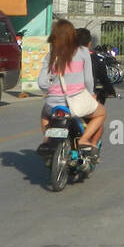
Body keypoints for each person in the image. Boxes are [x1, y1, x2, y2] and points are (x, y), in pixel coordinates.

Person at [38, 19, 104, 154]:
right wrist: (91, 94)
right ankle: (84, 140)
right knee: (101, 113)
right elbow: (88, 79)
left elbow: (42, 82)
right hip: (76, 100)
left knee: (44, 116)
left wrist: (50, 91)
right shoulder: (82, 51)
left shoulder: (51, 55)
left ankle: (48, 140)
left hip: (53, 102)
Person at [76, 27, 117, 104]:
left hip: (58, 98)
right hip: (81, 97)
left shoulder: (64, 57)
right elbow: (102, 79)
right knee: (101, 113)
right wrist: (111, 91)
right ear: (89, 43)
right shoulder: (93, 58)